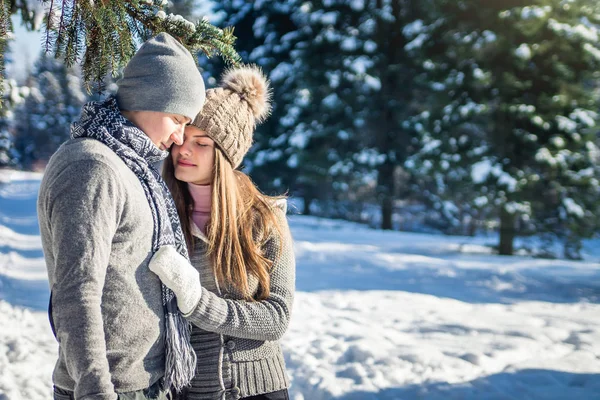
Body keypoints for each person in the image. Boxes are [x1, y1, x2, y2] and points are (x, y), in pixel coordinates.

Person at [37, 33, 206, 400]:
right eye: (177, 119)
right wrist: (97, 391)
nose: (180, 137)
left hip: (145, 384)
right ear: (150, 99)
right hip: (110, 388)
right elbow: (76, 294)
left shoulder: (132, 168)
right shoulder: (93, 166)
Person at [148, 65, 296, 400]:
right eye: (182, 139)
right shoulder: (160, 215)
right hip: (186, 388)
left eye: (202, 143)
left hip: (257, 389)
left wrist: (199, 302)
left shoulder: (264, 219)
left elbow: (277, 317)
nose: (184, 151)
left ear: (227, 156)